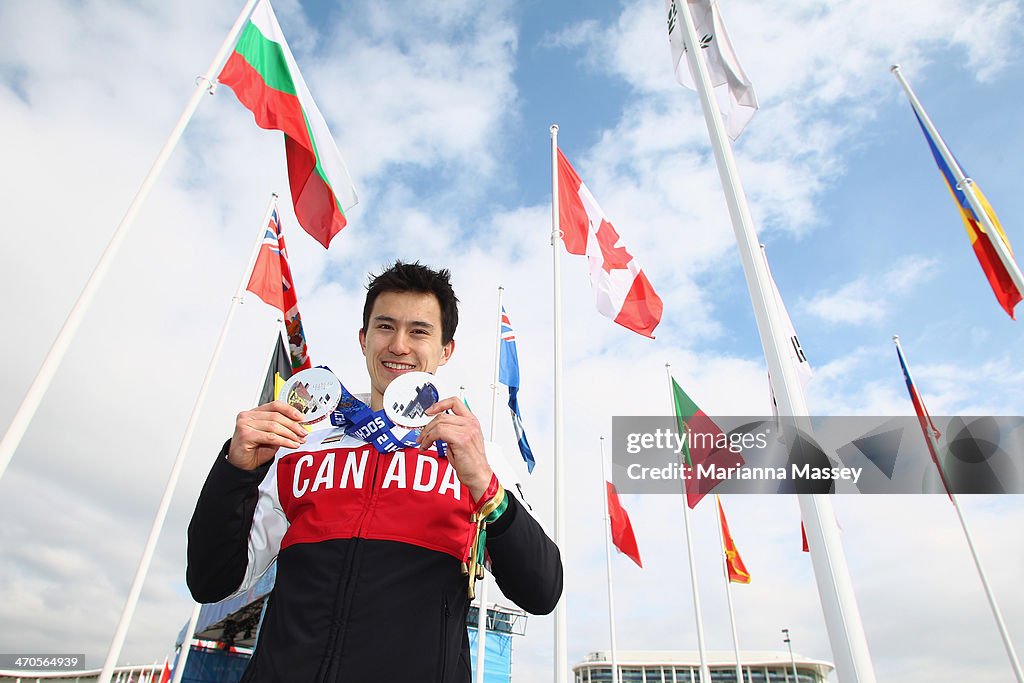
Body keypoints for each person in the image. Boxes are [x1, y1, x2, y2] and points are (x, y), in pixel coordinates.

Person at [186, 261, 563, 682]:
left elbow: (542, 590)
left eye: (419, 331)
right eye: (385, 327)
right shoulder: (300, 442)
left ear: (446, 350)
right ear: (364, 339)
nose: (399, 345)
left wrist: (483, 483)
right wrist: (235, 471)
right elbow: (212, 581)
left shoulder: (477, 457)